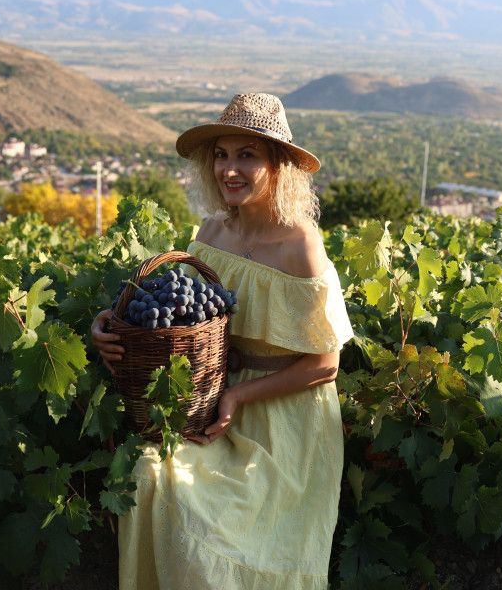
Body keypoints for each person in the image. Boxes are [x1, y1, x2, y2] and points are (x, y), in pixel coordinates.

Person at [90, 92, 354, 590]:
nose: (229, 170)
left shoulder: (301, 244)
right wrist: (111, 326)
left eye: (247, 155)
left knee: (212, 523)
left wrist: (237, 395)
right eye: (221, 155)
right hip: (212, 403)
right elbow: (176, 318)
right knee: (149, 474)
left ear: (278, 164)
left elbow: (324, 362)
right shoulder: (210, 234)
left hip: (286, 423)